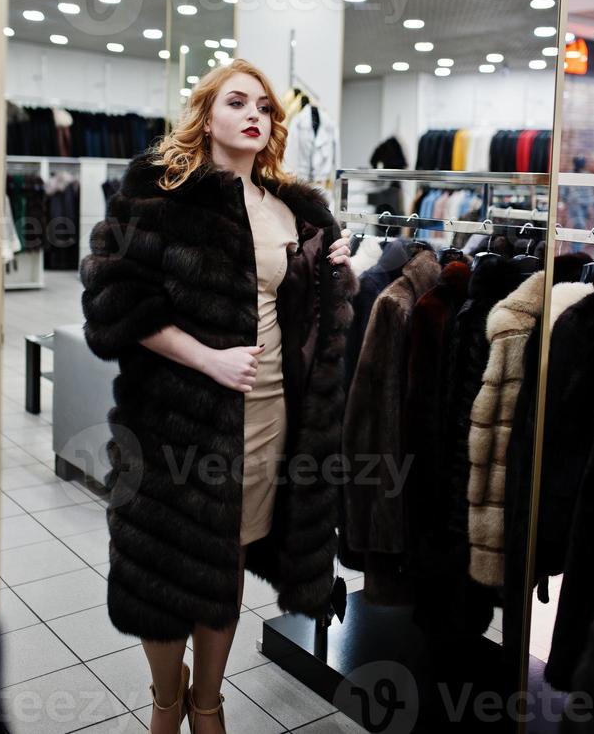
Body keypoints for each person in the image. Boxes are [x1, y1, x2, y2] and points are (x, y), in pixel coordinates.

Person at [79, 58, 358, 734]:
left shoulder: (293, 206)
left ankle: (208, 703)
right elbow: (112, 300)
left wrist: (336, 272)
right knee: (162, 568)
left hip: (267, 416)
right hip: (178, 417)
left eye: (264, 105)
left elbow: (318, 321)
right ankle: (164, 700)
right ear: (206, 115)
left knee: (226, 555)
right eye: (237, 102)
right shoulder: (159, 194)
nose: (255, 114)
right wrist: (207, 359)